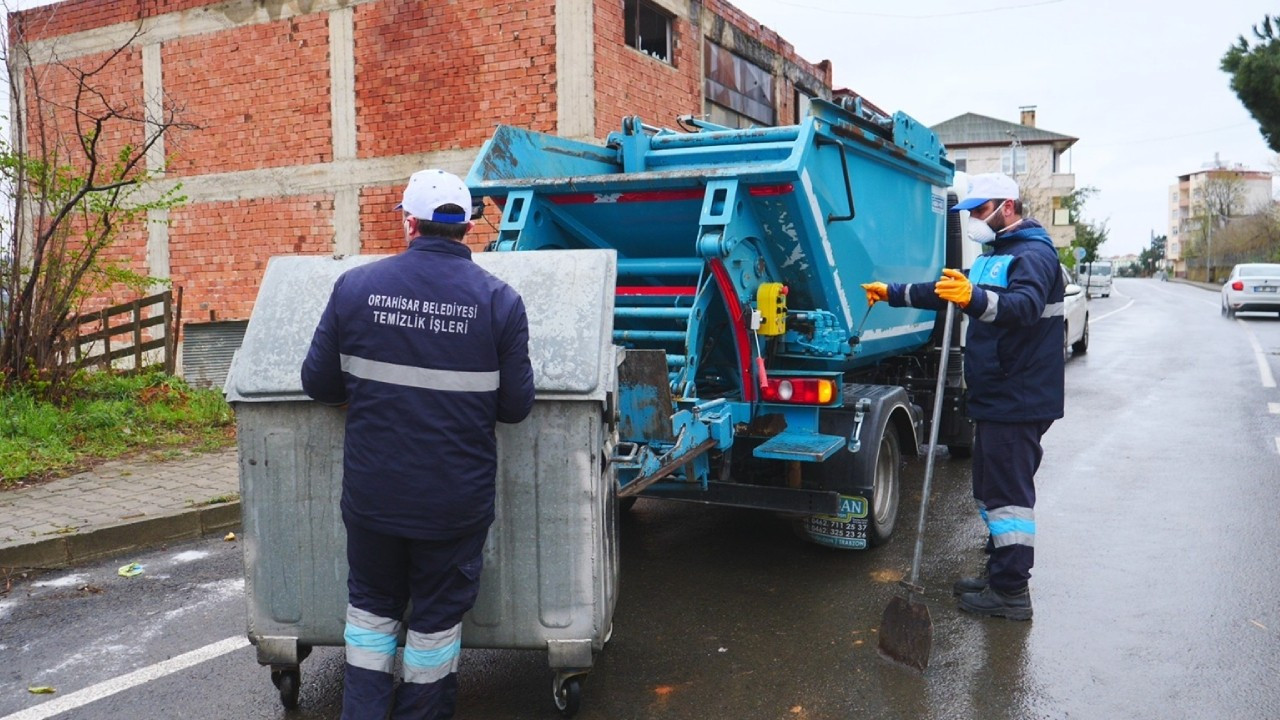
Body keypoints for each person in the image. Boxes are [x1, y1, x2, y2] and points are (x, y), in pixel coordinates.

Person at [302, 168, 535, 718]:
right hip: (454, 505)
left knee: (370, 616)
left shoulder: (354, 287)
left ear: (410, 221)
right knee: (432, 629)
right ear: (468, 225)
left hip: (374, 498)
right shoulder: (501, 302)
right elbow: (516, 408)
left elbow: (319, 384)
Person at [862, 172, 1063, 621]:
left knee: (1009, 497)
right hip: (998, 394)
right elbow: (949, 292)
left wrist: (972, 296)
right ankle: (998, 574)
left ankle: (1012, 593)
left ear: (1006, 207)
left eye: (978, 210)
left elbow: (1023, 307)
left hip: (1020, 396)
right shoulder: (998, 255)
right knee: (990, 490)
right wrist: (892, 293)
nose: (973, 219)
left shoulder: (1033, 255)